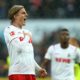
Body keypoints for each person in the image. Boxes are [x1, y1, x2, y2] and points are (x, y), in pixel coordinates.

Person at [4, 5, 47, 80]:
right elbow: (19, 48)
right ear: (15, 16)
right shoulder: (9, 30)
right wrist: (27, 37)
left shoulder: (27, 32)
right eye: (23, 13)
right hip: (17, 73)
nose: (26, 15)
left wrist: (38, 69)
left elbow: (29, 56)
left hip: (30, 73)